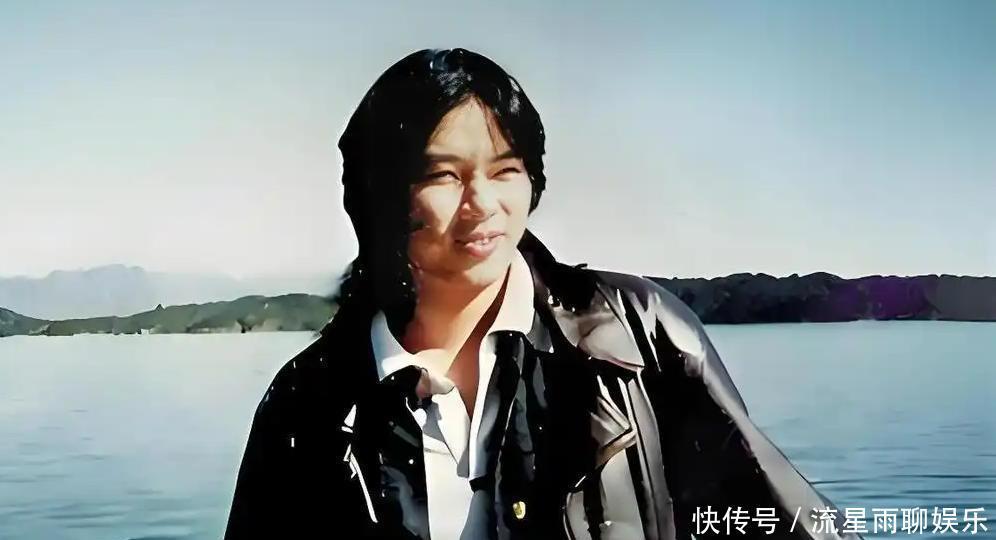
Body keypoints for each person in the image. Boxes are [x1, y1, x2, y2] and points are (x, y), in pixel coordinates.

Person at [224, 48, 859, 540]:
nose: (482, 204)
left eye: (506, 170)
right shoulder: (309, 403)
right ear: (378, 196)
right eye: (444, 176)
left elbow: (793, 523)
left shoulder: (637, 337)